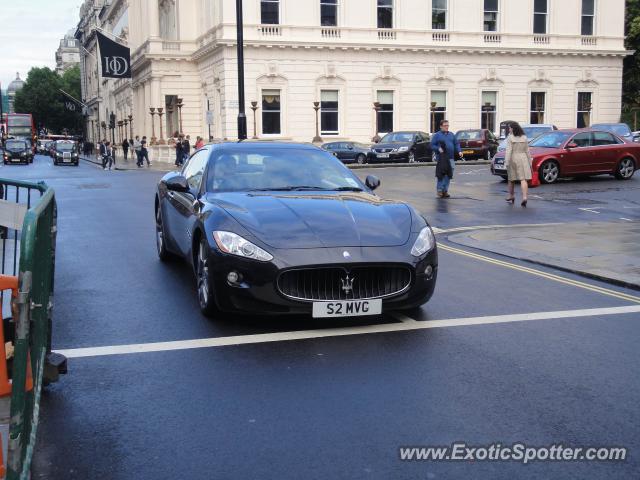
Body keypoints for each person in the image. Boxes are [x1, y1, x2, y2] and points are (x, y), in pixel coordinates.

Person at [430, 119, 463, 198]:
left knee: (449, 174)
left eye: (447, 125)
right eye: (445, 126)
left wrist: (459, 151)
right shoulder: (437, 135)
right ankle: (440, 190)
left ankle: (445, 190)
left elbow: (456, 144)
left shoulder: (451, 134)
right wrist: (438, 149)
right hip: (441, 158)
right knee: (441, 174)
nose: (446, 127)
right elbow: (432, 145)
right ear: (441, 126)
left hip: (450, 158)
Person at [504, 121, 532, 207]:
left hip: (514, 158)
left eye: (509, 128)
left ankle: (511, 195)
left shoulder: (510, 138)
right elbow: (527, 151)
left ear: (513, 129)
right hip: (523, 159)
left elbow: (509, 151)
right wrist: (530, 162)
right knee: (523, 179)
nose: (509, 130)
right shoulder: (524, 137)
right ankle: (524, 197)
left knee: (511, 179)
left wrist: (506, 163)